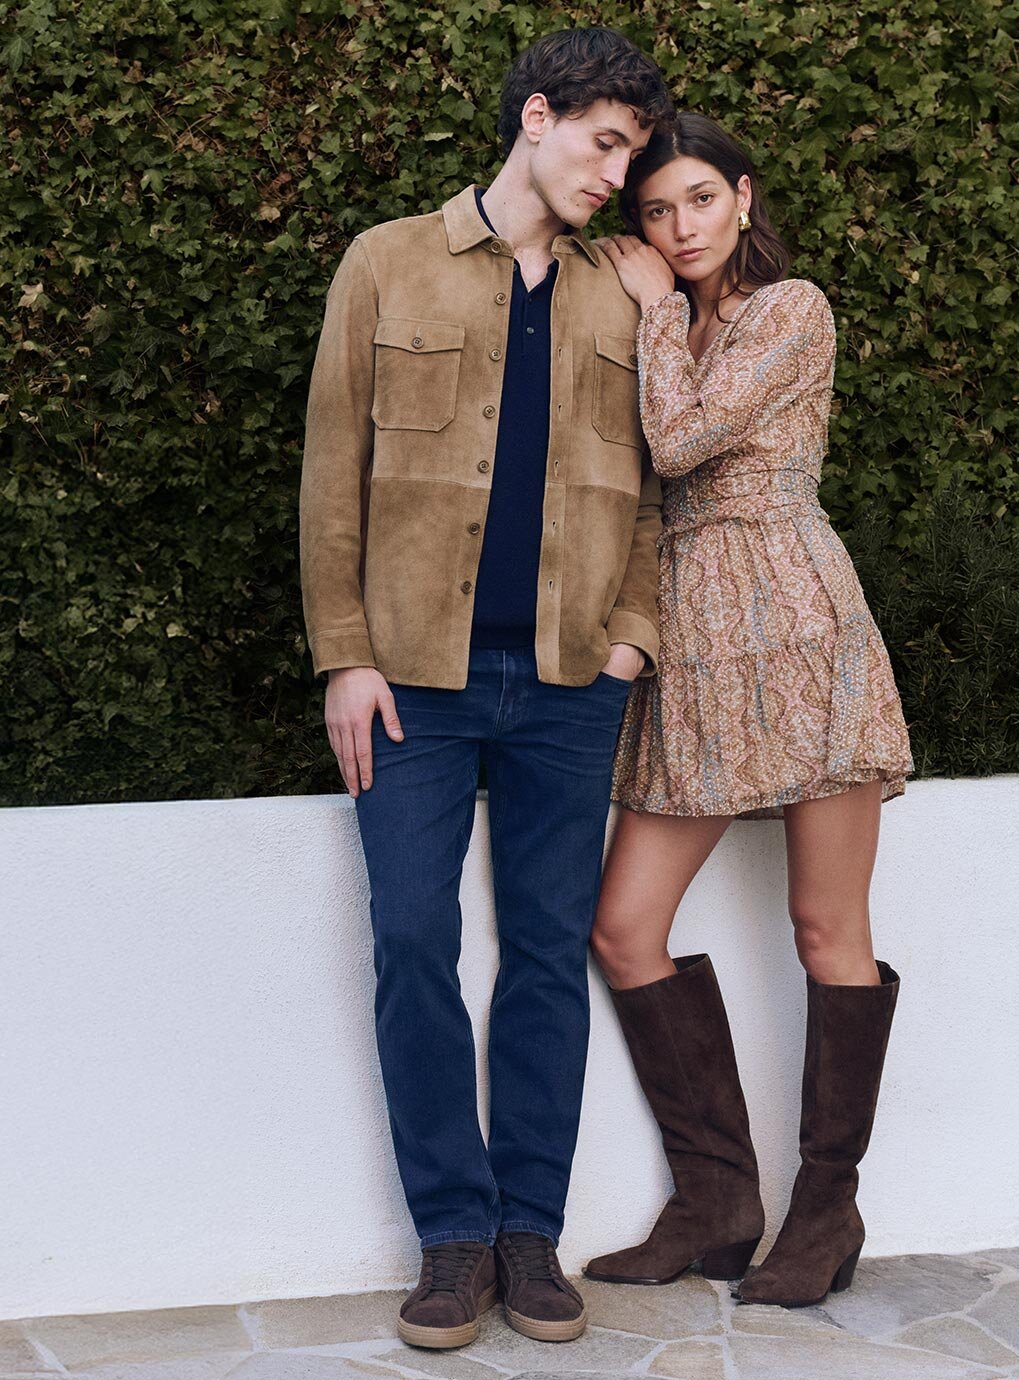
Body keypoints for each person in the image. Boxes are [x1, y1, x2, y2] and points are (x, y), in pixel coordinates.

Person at [298, 28, 674, 1350]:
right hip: (410, 681)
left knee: (545, 965)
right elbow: (331, 466)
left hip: (574, 685)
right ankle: (450, 1241)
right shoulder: (387, 264)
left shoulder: (623, 295)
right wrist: (344, 651)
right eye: (603, 143)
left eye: (631, 153)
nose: (616, 175)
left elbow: (664, 485)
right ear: (536, 117)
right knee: (411, 940)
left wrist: (632, 634)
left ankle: (530, 1234)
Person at [586, 112, 915, 1308]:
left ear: (741, 197)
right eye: (654, 212)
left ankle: (826, 1211)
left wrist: (652, 309)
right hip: (691, 643)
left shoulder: (792, 309)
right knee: (624, 925)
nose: (676, 231)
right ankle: (718, 1199)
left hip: (797, 620)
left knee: (829, 930)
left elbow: (678, 440)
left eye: (697, 203)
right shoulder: (664, 317)